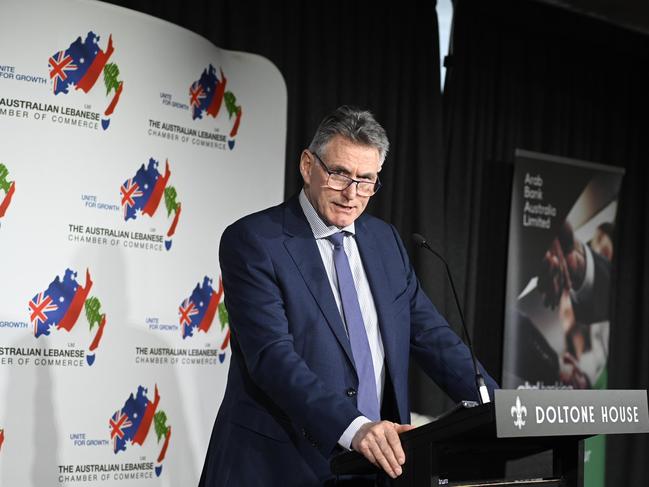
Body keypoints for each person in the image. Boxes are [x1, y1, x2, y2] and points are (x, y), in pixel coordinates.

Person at [198, 106, 498, 486]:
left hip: (371, 469)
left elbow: (432, 337)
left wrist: (500, 408)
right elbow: (272, 357)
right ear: (308, 165)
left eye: (366, 179)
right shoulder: (255, 241)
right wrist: (353, 427)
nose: (352, 194)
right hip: (278, 466)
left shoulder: (385, 241)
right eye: (339, 174)